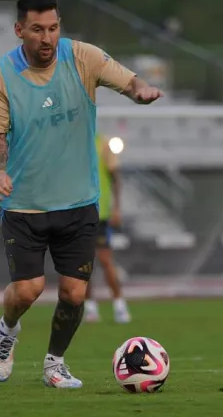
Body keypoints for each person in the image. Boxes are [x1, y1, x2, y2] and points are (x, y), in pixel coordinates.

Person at [0, 0, 163, 388]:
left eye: (53, 28)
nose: (47, 38)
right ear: (19, 30)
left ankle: (54, 364)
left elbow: (128, 81)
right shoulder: (2, 75)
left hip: (79, 201)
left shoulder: (83, 57)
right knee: (28, 290)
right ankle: (6, 331)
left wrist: (141, 92)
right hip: (25, 204)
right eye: (36, 30)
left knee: (74, 293)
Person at [83, 134, 131, 324]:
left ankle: (119, 304)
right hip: (76, 215)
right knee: (82, 265)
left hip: (99, 213)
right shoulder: (68, 145)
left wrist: (116, 208)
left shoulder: (102, 145)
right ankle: (90, 308)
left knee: (105, 260)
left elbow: (115, 177)